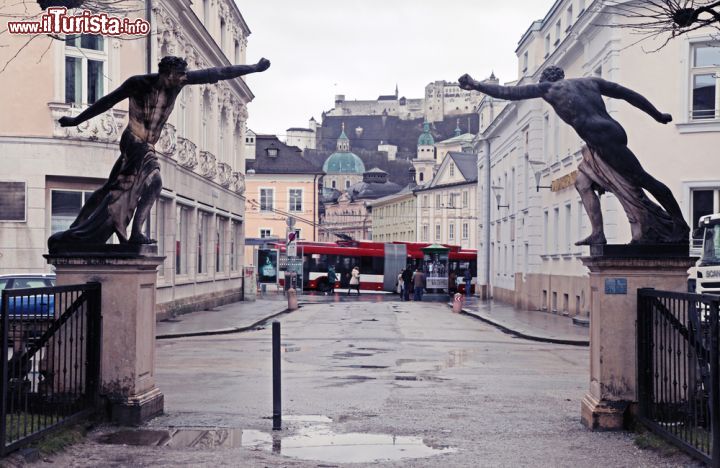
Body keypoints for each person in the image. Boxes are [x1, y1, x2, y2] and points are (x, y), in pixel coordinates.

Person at [49, 56, 271, 251]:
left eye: (182, 78)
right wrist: (75, 120)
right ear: (165, 73)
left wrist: (253, 68)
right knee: (154, 182)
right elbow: (106, 102)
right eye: (175, 77)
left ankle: (77, 226)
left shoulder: (180, 81)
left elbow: (220, 72)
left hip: (147, 144)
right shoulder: (139, 83)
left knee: (111, 187)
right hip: (134, 140)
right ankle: (136, 233)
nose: (179, 82)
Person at [458, 66, 689, 245]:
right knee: (582, 183)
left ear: (546, 80)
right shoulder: (591, 82)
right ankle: (598, 233)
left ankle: (679, 225)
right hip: (608, 134)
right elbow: (627, 94)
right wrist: (657, 114)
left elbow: (509, 92)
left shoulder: (548, 88)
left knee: (642, 180)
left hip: (603, 140)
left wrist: (476, 85)